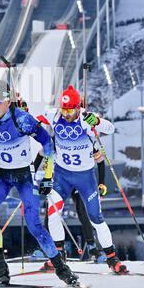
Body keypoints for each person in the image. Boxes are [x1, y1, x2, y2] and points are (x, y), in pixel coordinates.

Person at [0, 80, 80, 285]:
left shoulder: (22, 120)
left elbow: (48, 143)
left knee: (34, 225)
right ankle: (0, 269)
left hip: (23, 176)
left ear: (8, 101)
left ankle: (61, 269)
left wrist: (47, 176)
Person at [43, 84, 128, 275]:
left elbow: (111, 128)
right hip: (62, 176)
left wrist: (96, 121)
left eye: (70, 109)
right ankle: (58, 256)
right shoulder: (54, 115)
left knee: (96, 218)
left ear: (78, 107)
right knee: (53, 213)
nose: (66, 114)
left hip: (85, 178)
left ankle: (112, 258)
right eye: (63, 109)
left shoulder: (85, 120)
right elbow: (34, 120)